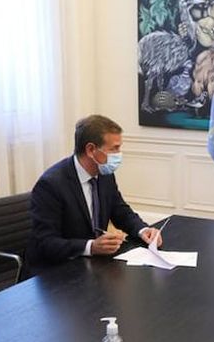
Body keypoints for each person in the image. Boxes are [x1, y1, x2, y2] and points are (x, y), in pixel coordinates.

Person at [26, 115, 161, 272]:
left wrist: (143, 231)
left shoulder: (104, 173)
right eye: (114, 148)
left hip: (90, 266)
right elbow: (46, 243)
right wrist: (91, 246)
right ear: (91, 150)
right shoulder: (51, 185)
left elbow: (120, 211)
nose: (119, 154)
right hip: (54, 272)